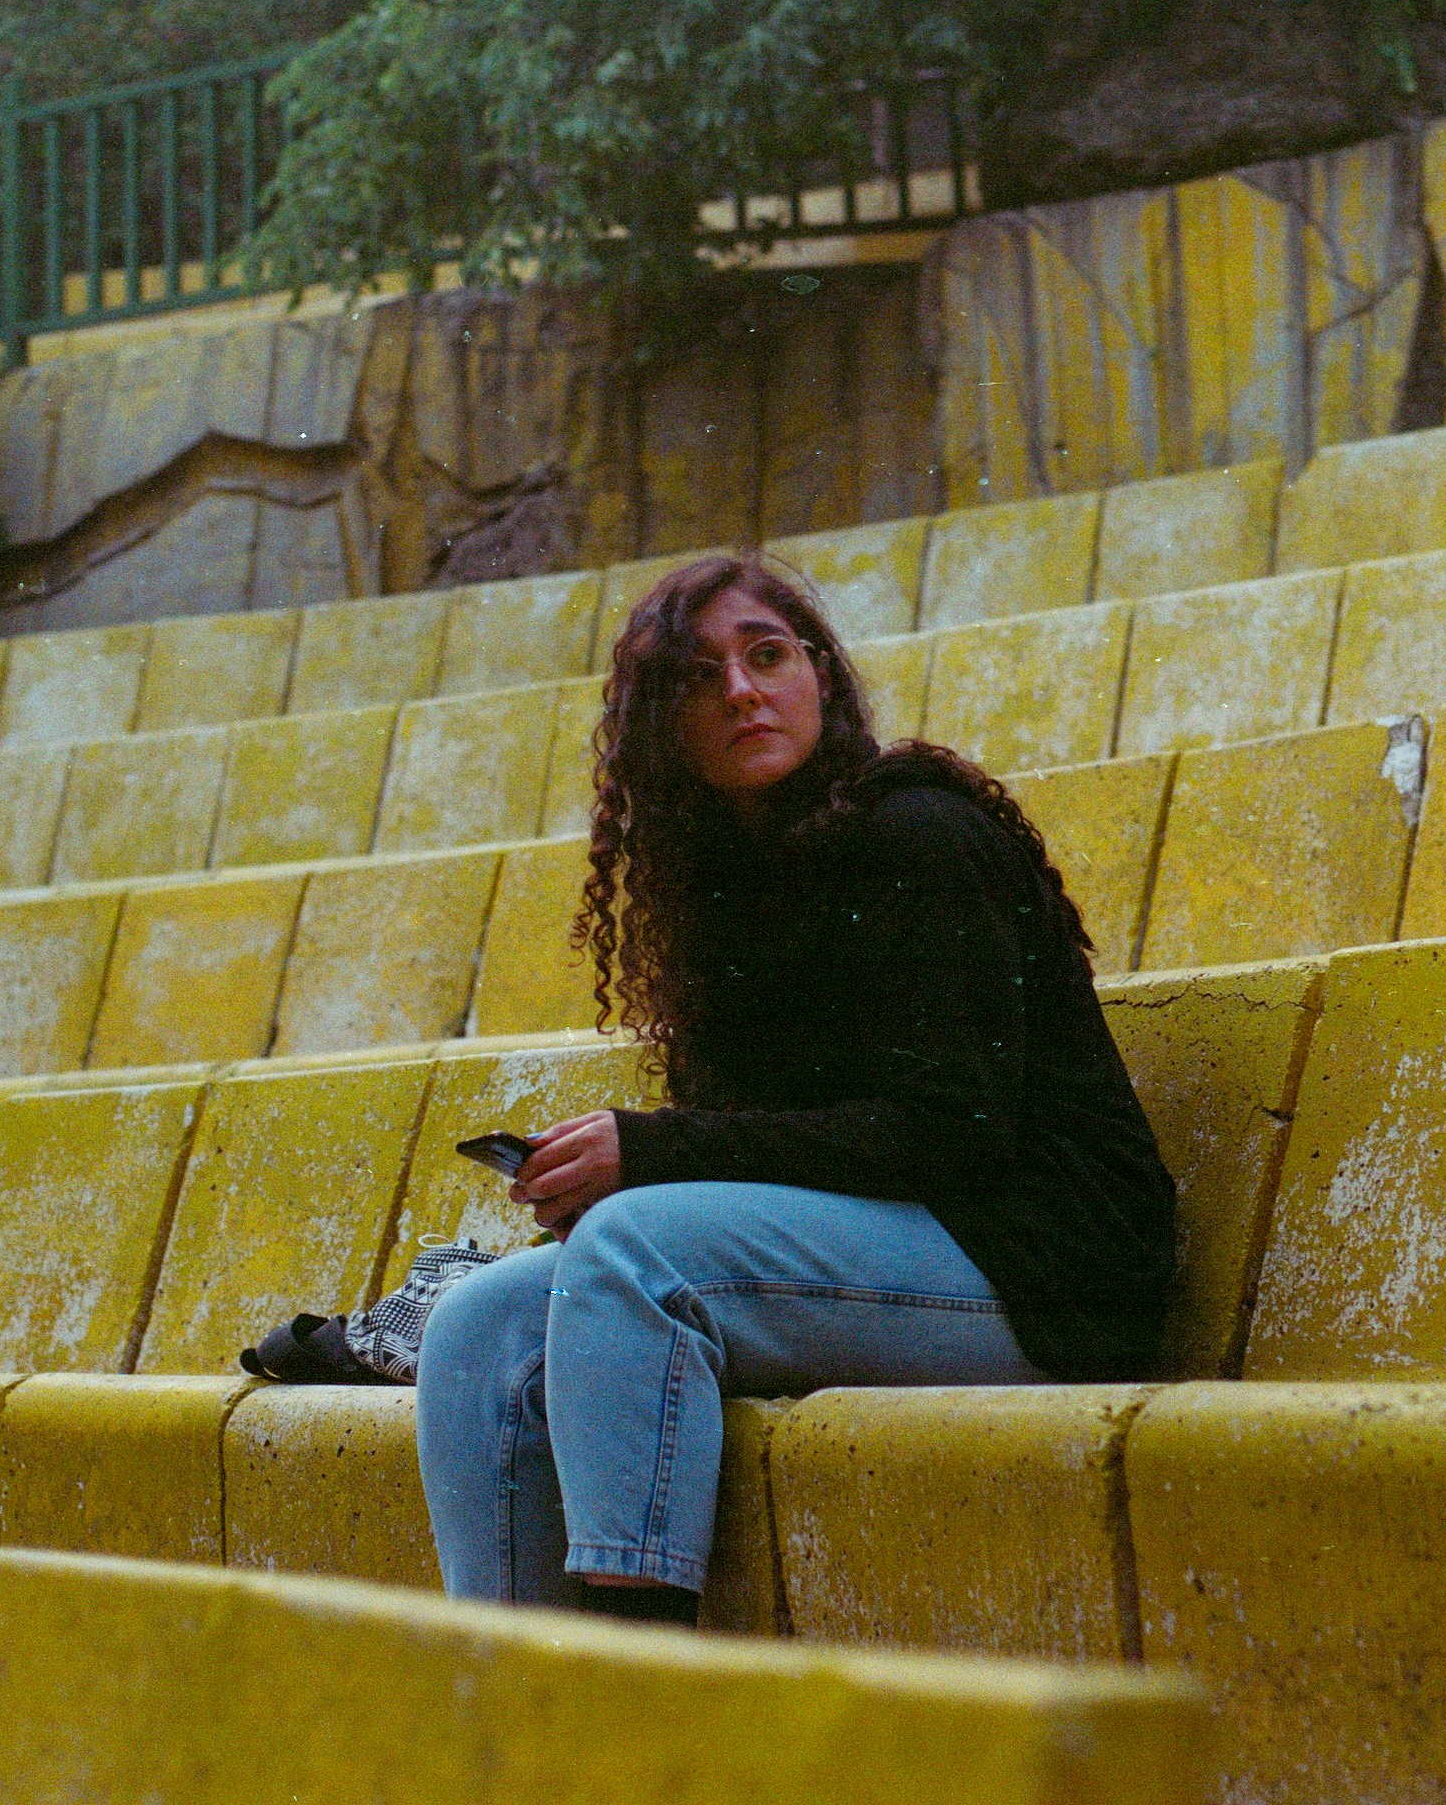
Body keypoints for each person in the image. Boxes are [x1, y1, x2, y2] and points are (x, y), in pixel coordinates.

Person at [413, 552, 1178, 1625]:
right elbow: (769, 1146)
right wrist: (633, 1166)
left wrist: (654, 1153)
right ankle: (506, 1716)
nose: (739, 689)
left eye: (765, 654)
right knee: (475, 1326)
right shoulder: (725, 892)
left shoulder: (917, 832)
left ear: (820, 674)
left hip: (1046, 1273)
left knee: (638, 1250)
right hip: (908, 1253)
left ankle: (634, 1686)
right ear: (660, 732)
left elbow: (949, 1133)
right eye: (695, 676)